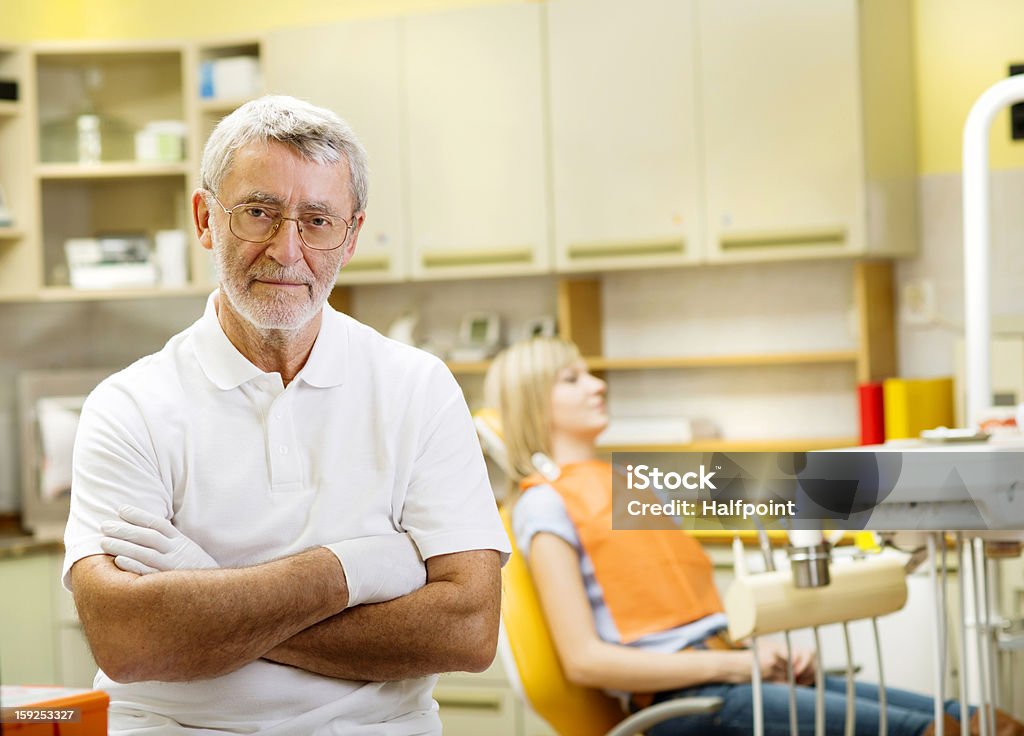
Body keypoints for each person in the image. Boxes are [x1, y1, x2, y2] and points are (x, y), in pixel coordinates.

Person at [63, 95, 511, 736]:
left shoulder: (418, 388)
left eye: (318, 221)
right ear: (205, 219)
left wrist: (207, 591)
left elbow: (467, 630)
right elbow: (129, 640)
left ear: (352, 235)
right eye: (257, 214)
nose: (287, 250)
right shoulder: (129, 406)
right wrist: (355, 569)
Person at [484, 337, 1024, 736]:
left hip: (731, 675)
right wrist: (736, 665)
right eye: (572, 379)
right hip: (686, 704)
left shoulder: (628, 482)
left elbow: (689, 608)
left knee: (970, 719)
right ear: (534, 400)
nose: (598, 384)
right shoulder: (543, 504)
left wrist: (759, 647)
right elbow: (586, 661)